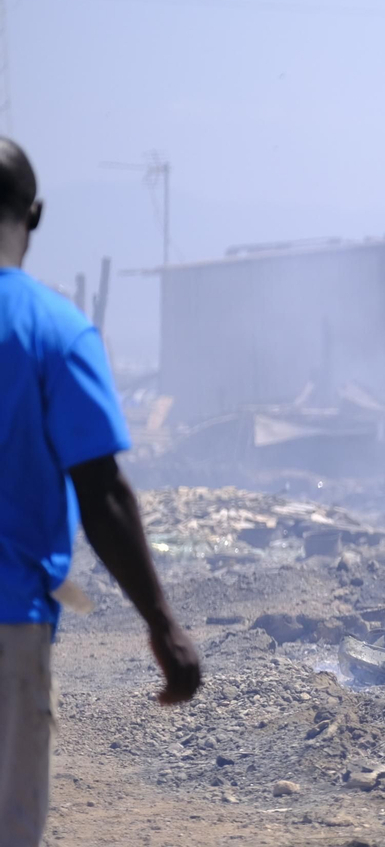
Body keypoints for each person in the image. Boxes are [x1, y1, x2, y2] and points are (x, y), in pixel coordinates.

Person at [0, 138, 201, 845]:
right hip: (9, 621)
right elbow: (102, 489)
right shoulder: (54, 330)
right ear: (38, 214)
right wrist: (162, 622)